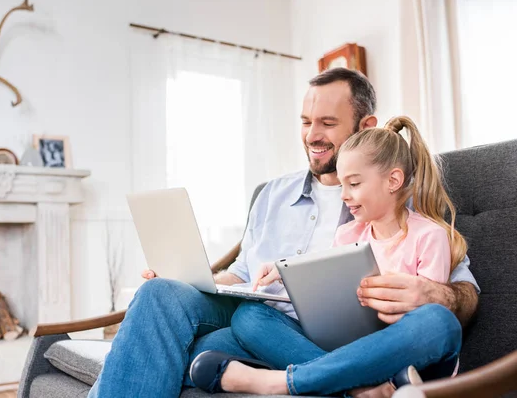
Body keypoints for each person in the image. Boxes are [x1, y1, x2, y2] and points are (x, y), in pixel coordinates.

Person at [88, 68, 479, 398]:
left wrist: (434, 293)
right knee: (162, 293)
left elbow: (462, 293)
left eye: (328, 123)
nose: (312, 135)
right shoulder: (272, 194)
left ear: (365, 127)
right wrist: (191, 279)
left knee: (208, 349)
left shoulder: (398, 201)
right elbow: (240, 275)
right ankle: (359, 384)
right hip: (264, 319)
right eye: (306, 122)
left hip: (328, 335)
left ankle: (310, 380)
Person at [190, 115, 468, 396]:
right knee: (249, 316)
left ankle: (283, 382)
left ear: (393, 180)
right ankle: (361, 390)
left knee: (438, 321)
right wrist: (287, 273)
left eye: (355, 184)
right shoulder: (348, 234)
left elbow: (422, 323)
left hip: (400, 353)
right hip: (346, 347)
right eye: (342, 185)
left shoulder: (429, 236)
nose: (344, 195)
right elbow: (331, 298)